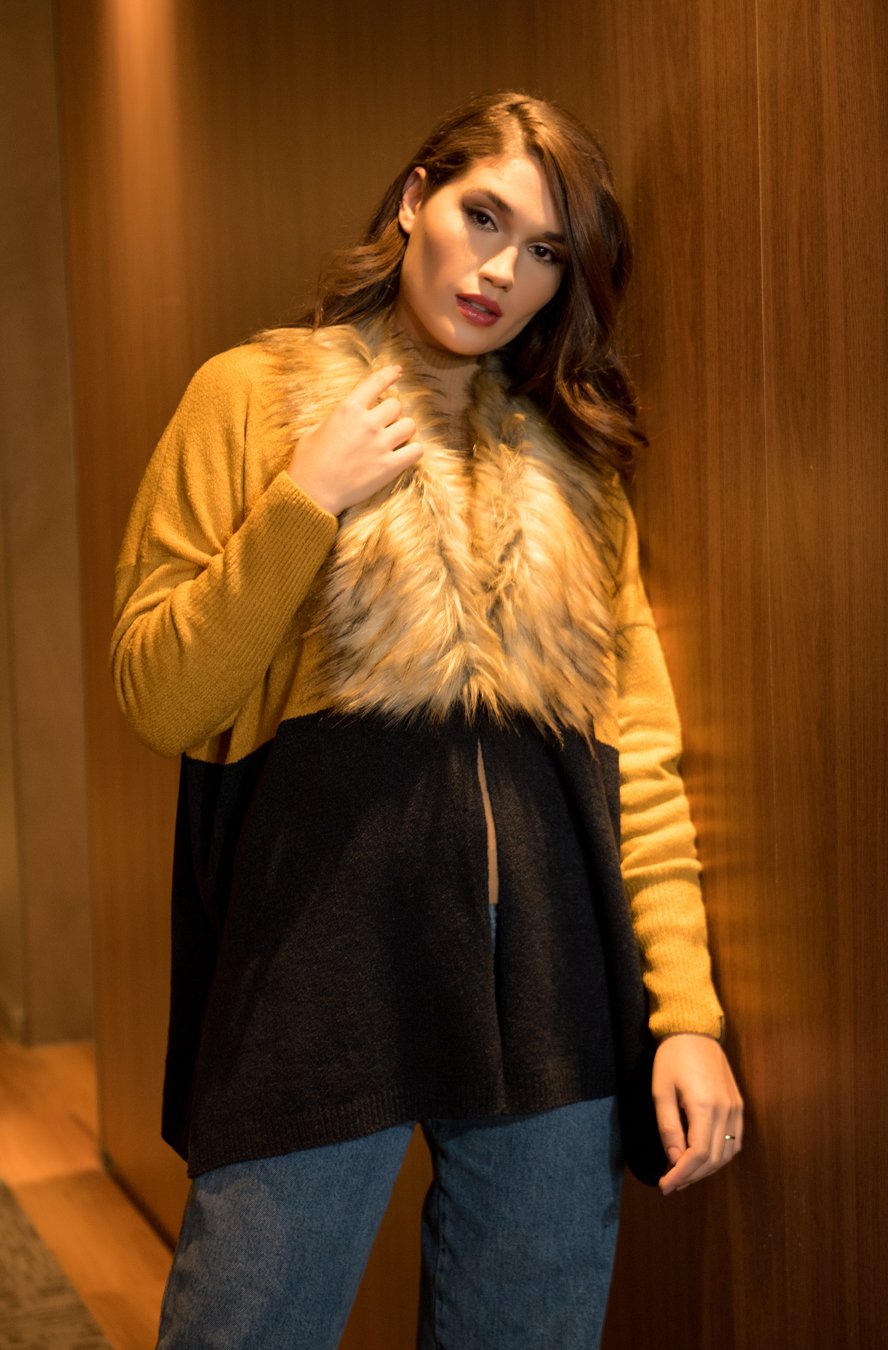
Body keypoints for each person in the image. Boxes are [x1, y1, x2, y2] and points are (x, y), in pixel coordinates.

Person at [111, 90, 743, 1349]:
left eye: (545, 249)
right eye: (482, 216)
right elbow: (160, 694)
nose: (501, 270)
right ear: (415, 200)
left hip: (551, 993)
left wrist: (685, 1016)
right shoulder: (249, 398)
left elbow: (640, 761)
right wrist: (307, 497)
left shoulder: (576, 464)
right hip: (317, 970)